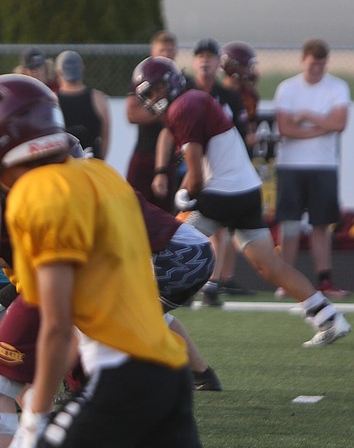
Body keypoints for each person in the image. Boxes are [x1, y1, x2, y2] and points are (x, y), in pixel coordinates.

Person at [0, 74, 295, 448]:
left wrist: (36, 414)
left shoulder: (36, 194)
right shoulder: (101, 175)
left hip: (124, 372)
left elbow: (54, 320)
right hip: (166, 367)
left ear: (2, 142)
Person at [135, 55, 350, 347]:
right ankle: (328, 316)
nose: (154, 98)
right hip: (246, 190)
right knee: (268, 265)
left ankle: (148, 317)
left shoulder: (182, 107)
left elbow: (196, 174)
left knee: (170, 249)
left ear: (170, 82)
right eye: (149, 93)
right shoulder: (193, 100)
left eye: (156, 89)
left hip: (222, 193)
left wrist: (185, 195)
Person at [274, 38, 351, 299]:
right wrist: (322, 128)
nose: (316, 69)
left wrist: (307, 116)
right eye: (311, 64)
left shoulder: (337, 87)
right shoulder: (287, 88)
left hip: (324, 165)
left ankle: (325, 280)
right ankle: (285, 280)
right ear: (303, 61)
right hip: (291, 166)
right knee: (290, 225)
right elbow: (285, 129)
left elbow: (340, 123)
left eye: (320, 65)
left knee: (321, 224)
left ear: (325, 63)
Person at [184, 39, 251, 305]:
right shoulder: (186, 92)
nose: (205, 61)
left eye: (210, 56)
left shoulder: (230, 96)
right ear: (194, 61)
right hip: (190, 165)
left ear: (218, 63)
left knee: (218, 228)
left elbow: (242, 135)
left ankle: (211, 283)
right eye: (200, 56)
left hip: (220, 169)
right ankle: (185, 280)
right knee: (186, 225)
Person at [126, 30, 179, 211]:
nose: (166, 55)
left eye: (170, 51)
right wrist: (165, 109)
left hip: (171, 157)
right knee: (133, 205)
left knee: (165, 212)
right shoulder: (142, 78)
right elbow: (132, 114)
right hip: (145, 151)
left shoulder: (179, 79)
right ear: (152, 51)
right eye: (162, 50)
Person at [54, 50, 110, 159]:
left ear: (58, 72)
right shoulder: (99, 99)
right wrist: (100, 163)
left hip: (63, 167)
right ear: (82, 69)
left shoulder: (52, 100)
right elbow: (105, 136)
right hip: (91, 165)